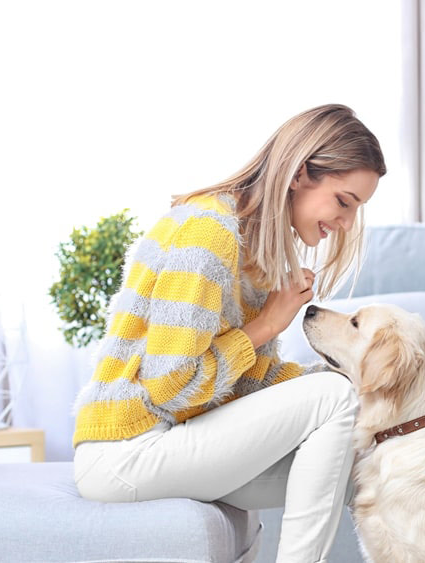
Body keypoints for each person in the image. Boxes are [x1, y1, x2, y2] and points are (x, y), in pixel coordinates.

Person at [72, 104, 388, 563]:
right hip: (126, 449)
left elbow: (246, 382)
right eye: (343, 202)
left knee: (363, 465)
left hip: (170, 439)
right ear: (300, 174)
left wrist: (382, 377)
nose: (345, 224)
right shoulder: (209, 230)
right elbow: (170, 387)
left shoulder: (256, 253)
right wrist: (268, 324)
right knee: (334, 397)